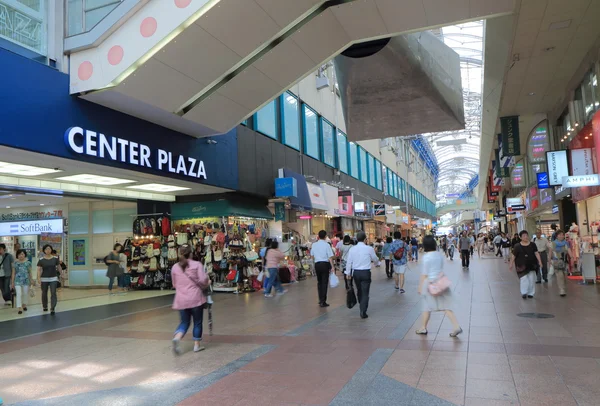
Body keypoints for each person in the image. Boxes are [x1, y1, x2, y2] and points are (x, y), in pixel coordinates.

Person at [416, 236, 462, 337]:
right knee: (445, 306)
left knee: (426, 306)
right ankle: (456, 326)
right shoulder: (439, 255)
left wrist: (420, 287)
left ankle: (423, 327)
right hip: (441, 282)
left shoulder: (426, 257)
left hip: (430, 284)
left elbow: (424, 274)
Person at [171, 245, 209, 355]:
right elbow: (203, 281)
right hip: (195, 298)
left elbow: (174, 284)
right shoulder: (197, 265)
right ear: (191, 253)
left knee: (184, 322)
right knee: (197, 322)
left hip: (181, 299)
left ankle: (177, 338)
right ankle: (197, 345)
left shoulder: (174, 267)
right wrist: (208, 282)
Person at [345, 231, 378, 319]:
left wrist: (348, 273)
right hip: (366, 272)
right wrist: (377, 263)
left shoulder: (352, 249)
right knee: (365, 292)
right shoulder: (369, 248)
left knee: (359, 289)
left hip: (356, 273)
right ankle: (363, 310)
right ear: (365, 239)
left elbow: (349, 262)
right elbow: (375, 259)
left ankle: (361, 303)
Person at [510, 230, 542, 299]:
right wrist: (511, 264)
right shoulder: (517, 246)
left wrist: (540, 261)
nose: (526, 237)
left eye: (526, 235)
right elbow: (514, 256)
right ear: (520, 237)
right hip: (521, 266)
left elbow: (536, 253)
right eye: (524, 236)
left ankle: (531, 293)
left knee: (531, 279)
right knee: (523, 279)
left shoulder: (533, 244)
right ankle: (524, 292)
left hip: (532, 264)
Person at [311, 230, 335, 307]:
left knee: (319, 282)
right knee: (324, 283)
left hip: (317, 264)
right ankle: (323, 301)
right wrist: (333, 267)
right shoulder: (327, 245)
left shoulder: (314, 245)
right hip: (325, 264)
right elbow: (330, 257)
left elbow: (312, 256)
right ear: (325, 236)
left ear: (318, 236)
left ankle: (320, 299)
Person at [37, 244, 60, 315]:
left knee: (53, 292)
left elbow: (59, 267)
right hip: (44, 278)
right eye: (46, 249)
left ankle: (52, 307)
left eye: (49, 249)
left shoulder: (55, 258)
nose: (48, 250)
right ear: (44, 250)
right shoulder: (41, 260)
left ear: (51, 250)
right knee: (44, 293)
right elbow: (39, 270)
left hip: (53, 278)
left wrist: (61, 274)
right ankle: (45, 306)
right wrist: (38, 278)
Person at [10, 249, 32, 315]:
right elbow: (13, 273)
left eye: (22, 254)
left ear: (25, 255)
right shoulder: (15, 263)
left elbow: (30, 272)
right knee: (19, 293)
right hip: (17, 280)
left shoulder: (28, 263)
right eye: (19, 254)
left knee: (25, 293)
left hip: (26, 280)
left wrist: (32, 280)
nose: (21, 256)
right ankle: (19, 307)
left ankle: (24, 304)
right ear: (17, 255)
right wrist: (12, 282)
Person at [549, 230, 569, 297]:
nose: (561, 236)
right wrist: (549, 260)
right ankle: (562, 290)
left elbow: (569, 250)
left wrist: (572, 257)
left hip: (564, 261)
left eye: (562, 235)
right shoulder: (553, 243)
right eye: (559, 235)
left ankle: (563, 287)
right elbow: (550, 252)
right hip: (556, 261)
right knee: (559, 275)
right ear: (556, 236)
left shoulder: (566, 243)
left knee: (564, 275)